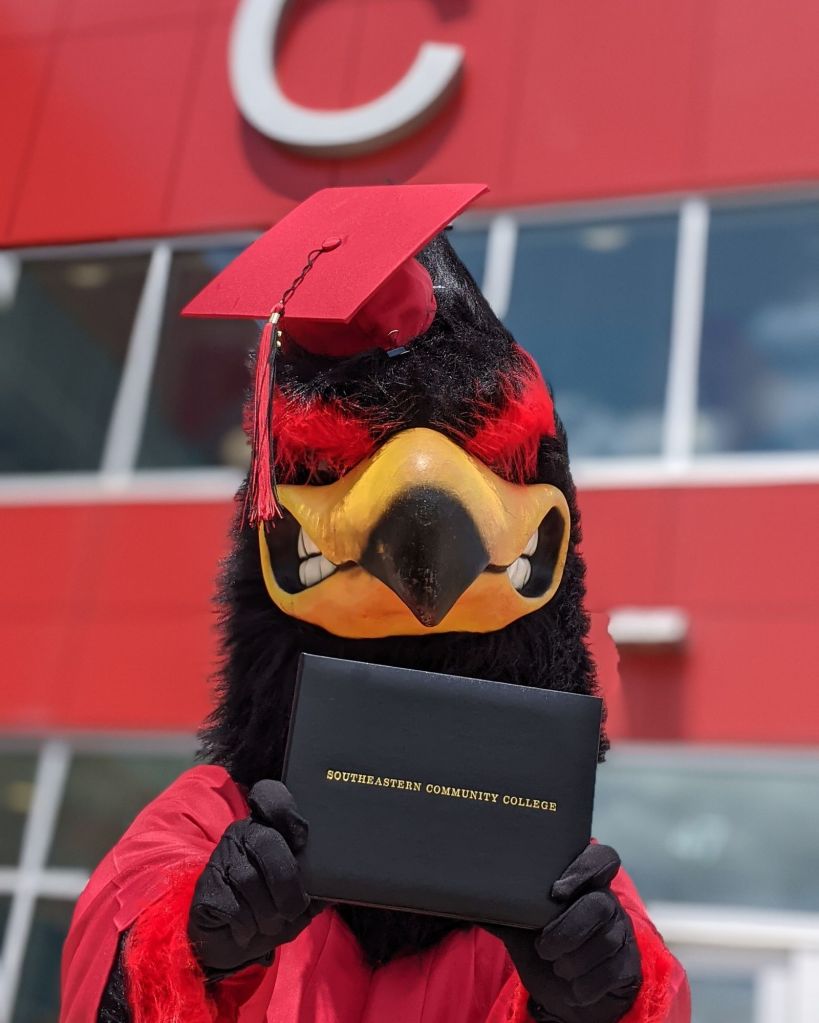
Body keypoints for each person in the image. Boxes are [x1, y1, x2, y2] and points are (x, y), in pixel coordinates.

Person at [61, 184, 690, 1023]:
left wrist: (598, 1004)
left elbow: (650, 993)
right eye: (330, 470)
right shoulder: (204, 824)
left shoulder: (554, 887)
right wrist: (199, 952)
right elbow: (116, 942)